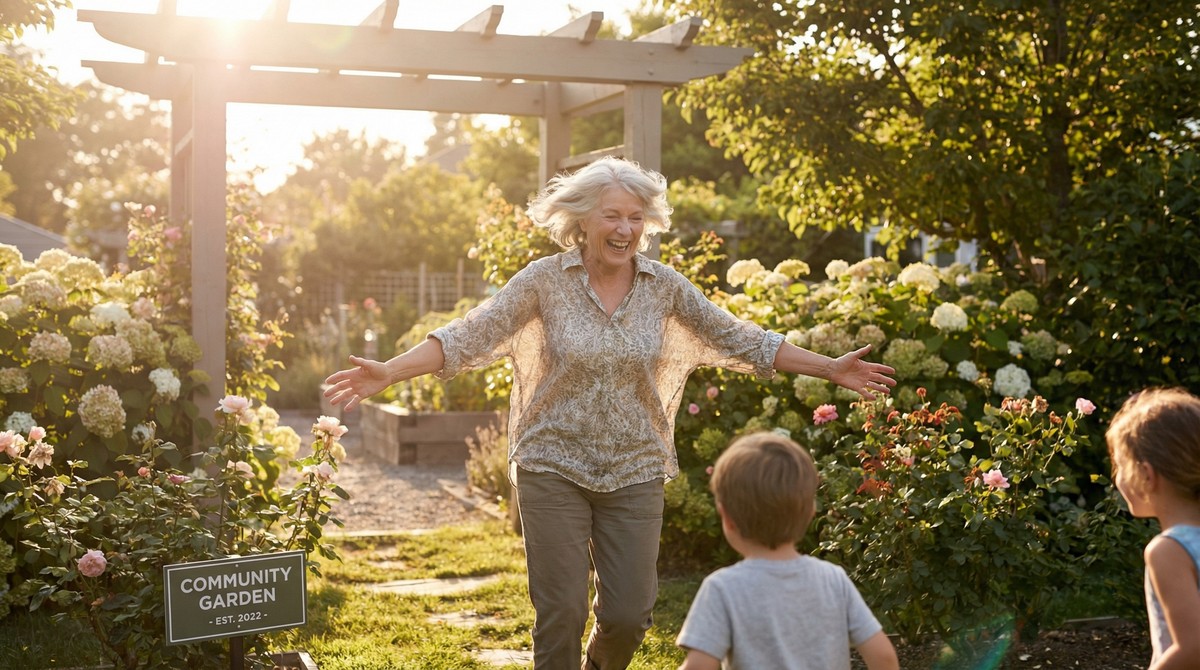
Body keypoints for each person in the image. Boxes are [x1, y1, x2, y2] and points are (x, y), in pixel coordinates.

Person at [323, 156, 896, 670]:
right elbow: (472, 333)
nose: (625, 229)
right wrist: (390, 371)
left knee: (628, 616)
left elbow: (739, 337)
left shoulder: (664, 287)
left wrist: (830, 368)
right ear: (582, 220)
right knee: (562, 613)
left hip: (635, 466)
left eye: (636, 217)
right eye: (612, 216)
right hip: (553, 461)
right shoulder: (545, 282)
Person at [675, 432, 899, 670]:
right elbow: (883, 657)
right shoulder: (833, 579)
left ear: (727, 518)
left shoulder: (722, 589)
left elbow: (699, 666)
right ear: (810, 513)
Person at [1107, 387, 1200, 669]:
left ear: (1147, 475)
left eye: (1119, 465)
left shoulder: (1169, 551)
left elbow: (1193, 648)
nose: (1116, 477)